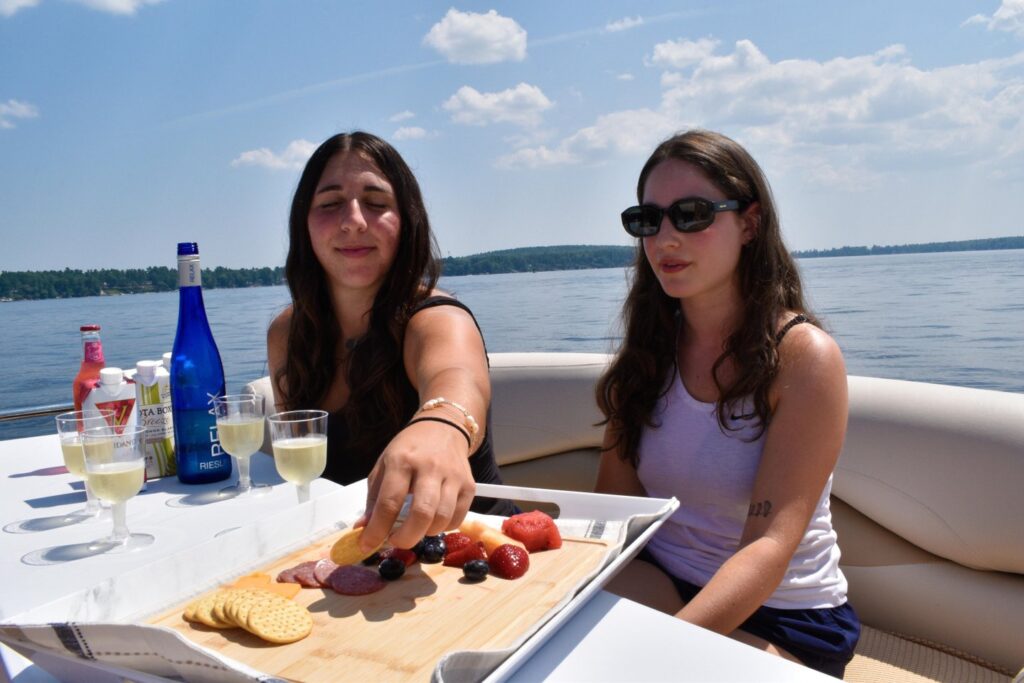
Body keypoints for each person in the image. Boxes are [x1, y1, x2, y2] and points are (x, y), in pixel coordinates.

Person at [595, 130, 860, 678]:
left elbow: (768, 548)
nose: (665, 237)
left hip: (782, 614)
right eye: (648, 220)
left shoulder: (803, 358)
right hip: (662, 579)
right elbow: (615, 510)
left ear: (749, 223)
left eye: (691, 214)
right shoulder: (646, 358)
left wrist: (659, 652)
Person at [267, 131, 514, 553]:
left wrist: (441, 427)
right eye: (329, 204)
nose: (354, 221)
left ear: (407, 220)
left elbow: (457, 381)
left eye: (377, 203)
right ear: (304, 224)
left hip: (473, 553)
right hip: (359, 556)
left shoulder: (438, 318)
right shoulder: (287, 335)